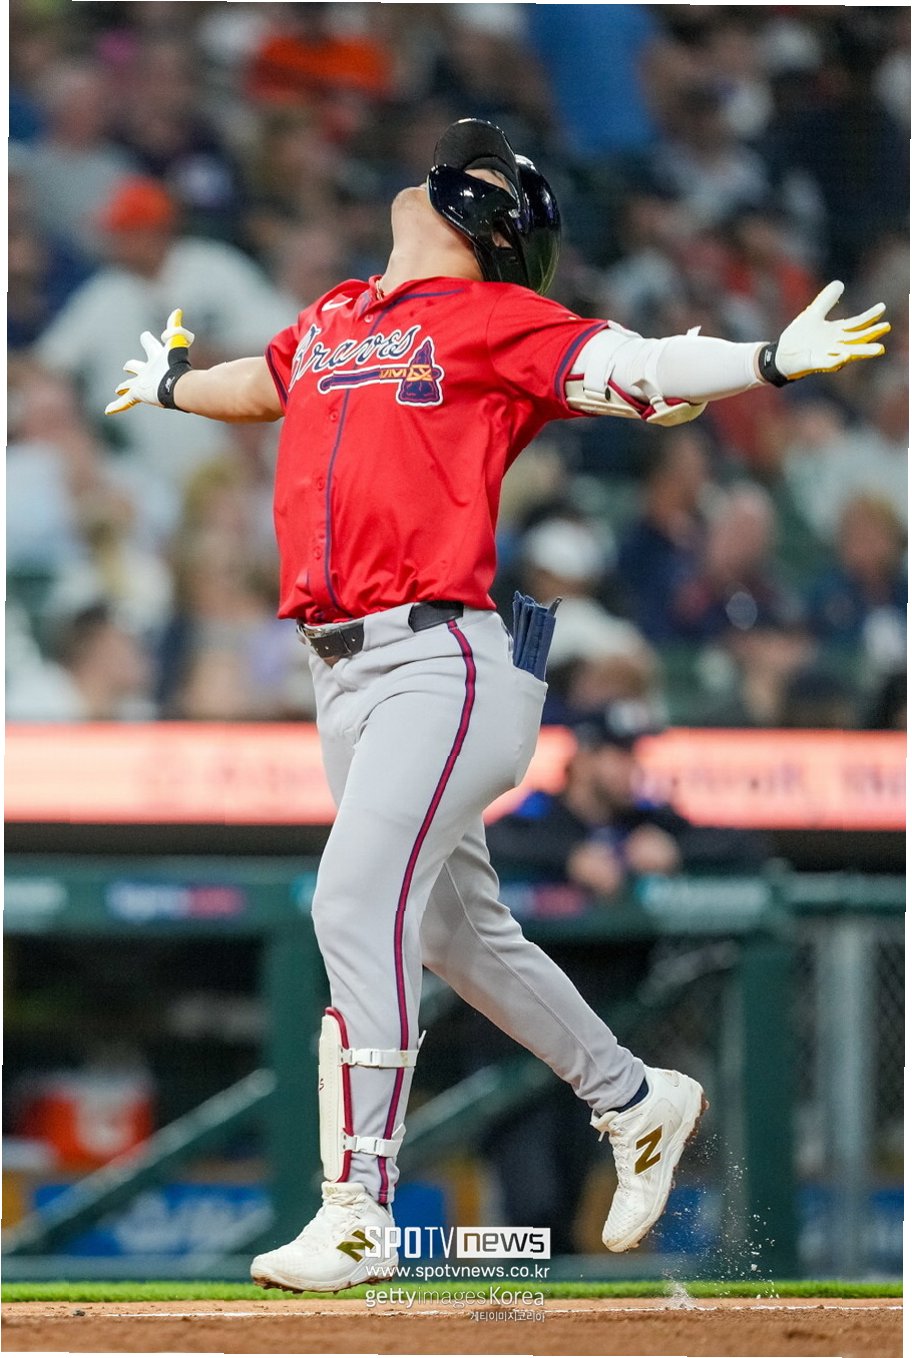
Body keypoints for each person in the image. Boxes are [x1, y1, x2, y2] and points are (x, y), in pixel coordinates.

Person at [103, 118, 888, 1292]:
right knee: (458, 934)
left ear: (491, 225)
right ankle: (634, 1095)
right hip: (341, 671)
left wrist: (766, 359)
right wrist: (171, 384)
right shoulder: (336, 316)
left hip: (442, 659)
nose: (440, 178)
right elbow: (259, 382)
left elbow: (638, 368)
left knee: (354, 897)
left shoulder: (492, 317)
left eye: (471, 177)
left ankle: (357, 1206)